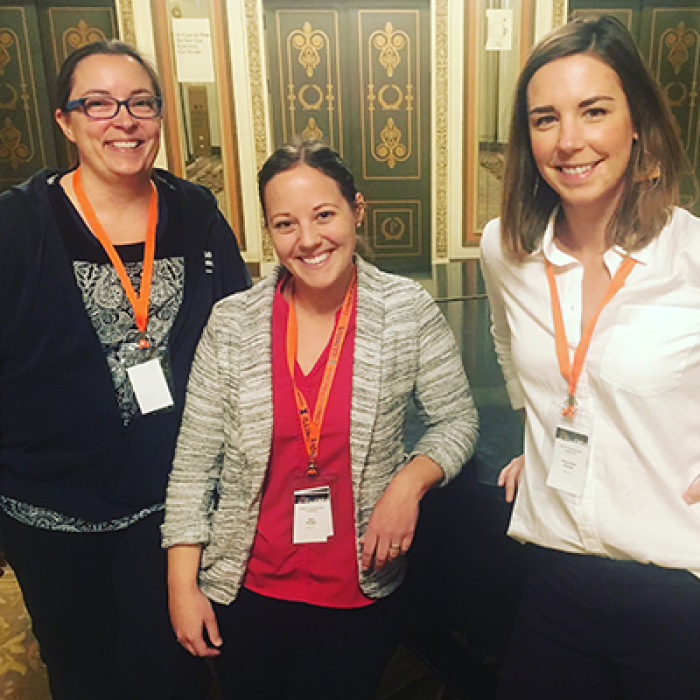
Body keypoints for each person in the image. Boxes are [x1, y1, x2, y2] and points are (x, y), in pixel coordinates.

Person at [162, 139, 479, 700]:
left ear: (357, 209)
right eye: (285, 224)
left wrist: (409, 482)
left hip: (356, 592)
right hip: (248, 587)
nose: (307, 240)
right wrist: (181, 586)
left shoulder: (406, 310)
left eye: (324, 215)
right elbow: (192, 465)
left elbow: (455, 419)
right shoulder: (233, 322)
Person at [0, 40, 250, 700]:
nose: (124, 120)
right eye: (99, 104)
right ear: (66, 121)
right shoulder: (17, 225)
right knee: (82, 670)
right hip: (47, 509)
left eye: (141, 102)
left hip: (164, 506)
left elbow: (238, 336)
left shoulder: (194, 212)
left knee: (172, 669)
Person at [480, 14, 700, 700]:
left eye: (594, 111)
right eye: (545, 119)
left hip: (678, 582)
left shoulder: (691, 256)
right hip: (557, 571)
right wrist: (539, 428)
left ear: (637, 123)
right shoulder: (505, 249)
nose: (569, 140)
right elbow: (507, 344)